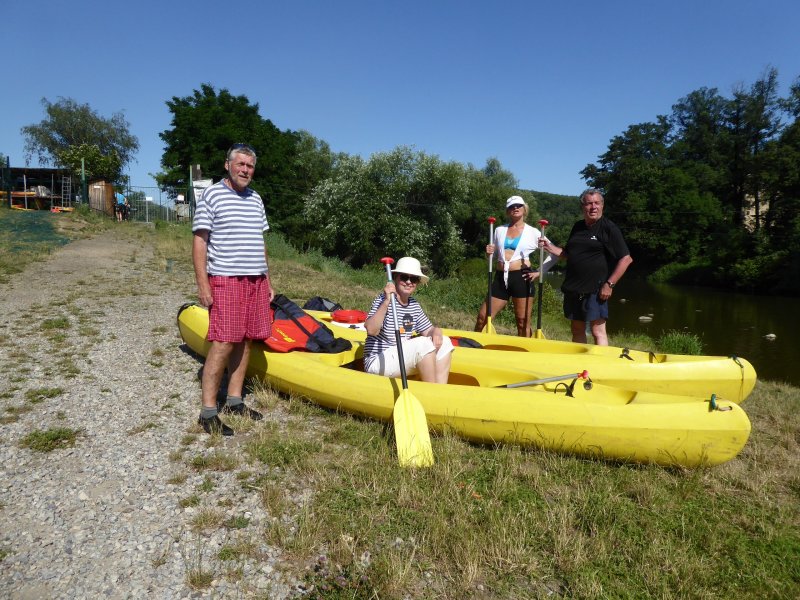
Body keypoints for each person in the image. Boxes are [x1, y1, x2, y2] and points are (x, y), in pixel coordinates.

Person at [192, 143, 273, 435]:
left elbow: (259, 244)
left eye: (250, 166)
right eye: (240, 164)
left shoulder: (255, 199)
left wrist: (268, 281)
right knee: (224, 341)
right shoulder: (212, 195)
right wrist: (203, 284)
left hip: (256, 280)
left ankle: (235, 400)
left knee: (247, 339)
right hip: (226, 278)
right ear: (227, 165)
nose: (245, 170)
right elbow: (200, 241)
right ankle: (208, 411)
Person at [540, 188, 633, 345]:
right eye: (589, 203)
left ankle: (601, 366)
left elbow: (626, 259)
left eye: (597, 203)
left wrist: (609, 284)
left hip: (596, 289)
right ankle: (580, 364)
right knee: (577, 330)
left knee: (598, 331)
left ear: (602, 205)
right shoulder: (578, 227)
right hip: (574, 287)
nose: (593, 207)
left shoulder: (609, 228)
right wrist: (550, 247)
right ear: (583, 207)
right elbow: (568, 254)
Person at [364, 256, 453, 384]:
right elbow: (371, 330)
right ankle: (431, 392)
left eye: (414, 279)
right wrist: (386, 302)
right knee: (423, 344)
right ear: (395, 278)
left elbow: (429, 330)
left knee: (445, 342)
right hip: (378, 361)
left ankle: (439, 391)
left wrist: (437, 331)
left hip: (401, 357)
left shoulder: (414, 305)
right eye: (404, 277)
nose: (409, 282)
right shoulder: (383, 300)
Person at [474, 196, 552, 337]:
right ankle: (472, 346)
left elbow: (554, 254)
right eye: (511, 206)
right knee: (482, 317)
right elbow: (495, 255)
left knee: (522, 322)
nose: (515, 208)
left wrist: (540, 272)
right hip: (500, 278)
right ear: (508, 211)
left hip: (521, 278)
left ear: (524, 209)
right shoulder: (499, 230)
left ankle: (525, 356)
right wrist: (488, 253)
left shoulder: (533, 232)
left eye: (518, 205)